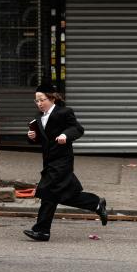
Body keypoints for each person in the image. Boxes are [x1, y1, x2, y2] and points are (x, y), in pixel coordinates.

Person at [24, 83, 107, 241]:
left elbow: (77, 129)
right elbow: (42, 139)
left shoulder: (64, 112)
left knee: (46, 190)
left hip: (62, 161)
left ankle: (42, 231)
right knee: (60, 195)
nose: (39, 103)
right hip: (49, 161)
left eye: (42, 100)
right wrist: (31, 138)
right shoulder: (38, 117)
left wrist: (66, 136)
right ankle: (96, 203)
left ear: (52, 98)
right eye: (37, 101)